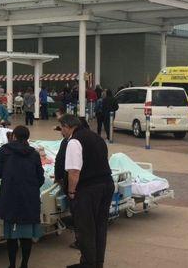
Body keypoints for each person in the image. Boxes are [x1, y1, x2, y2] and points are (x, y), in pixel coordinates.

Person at [61, 114, 114, 268]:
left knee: (85, 228)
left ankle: (88, 263)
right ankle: (98, 262)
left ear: (68, 126)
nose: (62, 133)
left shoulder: (74, 141)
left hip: (88, 189)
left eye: (62, 129)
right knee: (100, 226)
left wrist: (71, 192)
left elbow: (74, 171)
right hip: (106, 184)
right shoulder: (96, 137)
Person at [0, 125, 44, 268]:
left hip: (9, 196)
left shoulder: (4, 150)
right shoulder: (34, 154)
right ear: (27, 138)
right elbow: (40, 177)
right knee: (26, 235)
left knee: (11, 236)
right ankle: (24, 264)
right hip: (29, 198)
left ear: (14, 136)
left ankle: (11, 265)